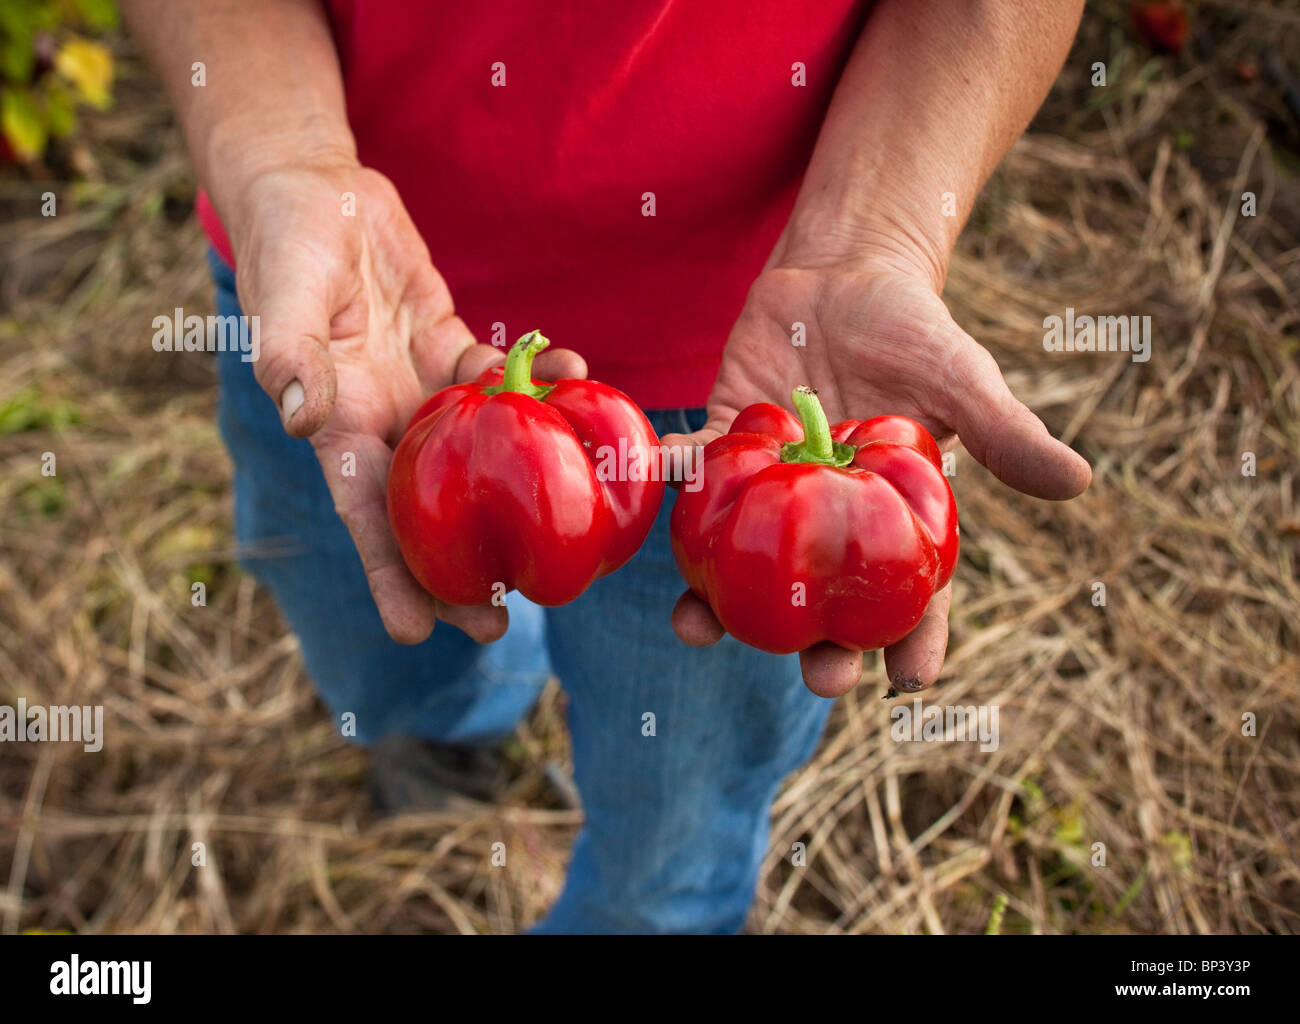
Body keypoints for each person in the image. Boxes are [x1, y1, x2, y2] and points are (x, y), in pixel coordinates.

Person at [122, 0, 1092, 933]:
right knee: (371, 638)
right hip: (330, 299)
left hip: (752, 359)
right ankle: (458, 734)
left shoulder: (801, 462)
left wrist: (874, 241)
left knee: (673, 817)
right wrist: (282, 165)